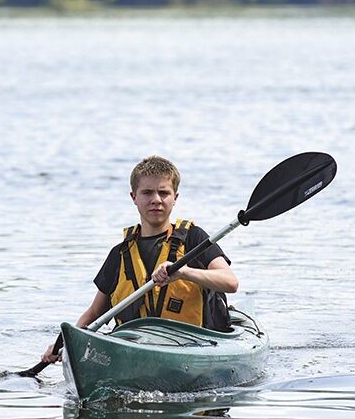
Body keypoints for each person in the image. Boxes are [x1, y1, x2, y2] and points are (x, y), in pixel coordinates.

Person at [41, 155, 238, 364]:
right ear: (134, 197)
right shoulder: (120, 254)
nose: (156, 199)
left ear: (175, 198)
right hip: (134, 348)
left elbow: (230, 282)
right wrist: (66, 344)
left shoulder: (193, 239)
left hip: (190, 346)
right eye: (147, 192)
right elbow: (94, 313)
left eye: (164, 193)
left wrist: (183, 272)